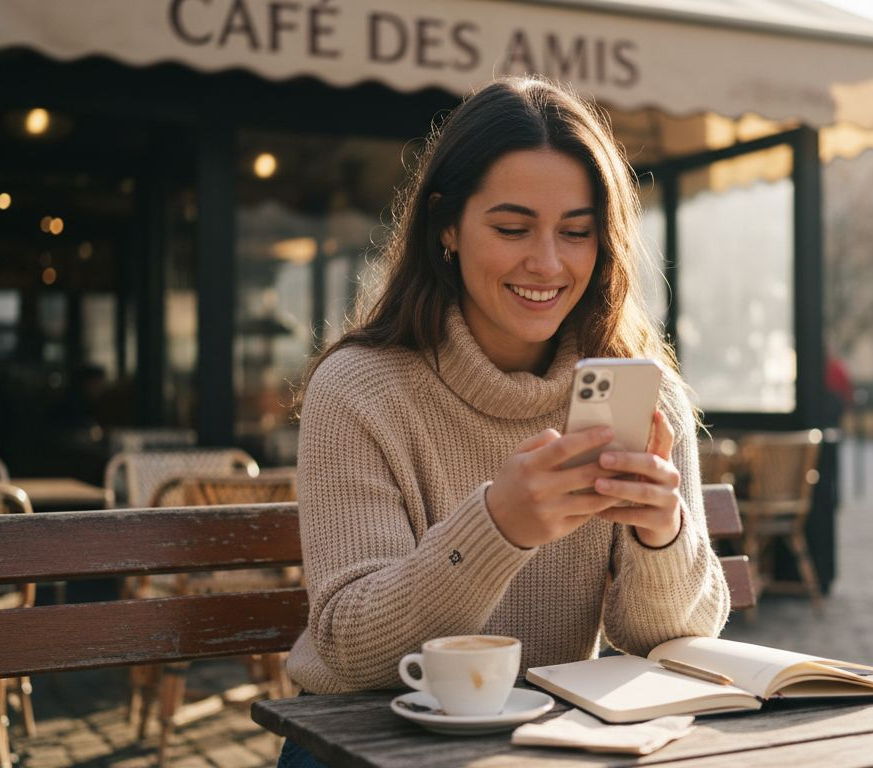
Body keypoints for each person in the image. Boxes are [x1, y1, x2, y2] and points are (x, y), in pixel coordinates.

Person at [280, 78, 729, 767]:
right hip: (364, 742)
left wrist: (660, 534)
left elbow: (673, 640)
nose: (547, 263)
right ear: (446, 227)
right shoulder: (360, 390)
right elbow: (352, 650)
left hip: (553, 743)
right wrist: (497, 527)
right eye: (512, 229)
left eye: (576, 232)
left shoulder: (645, 395)